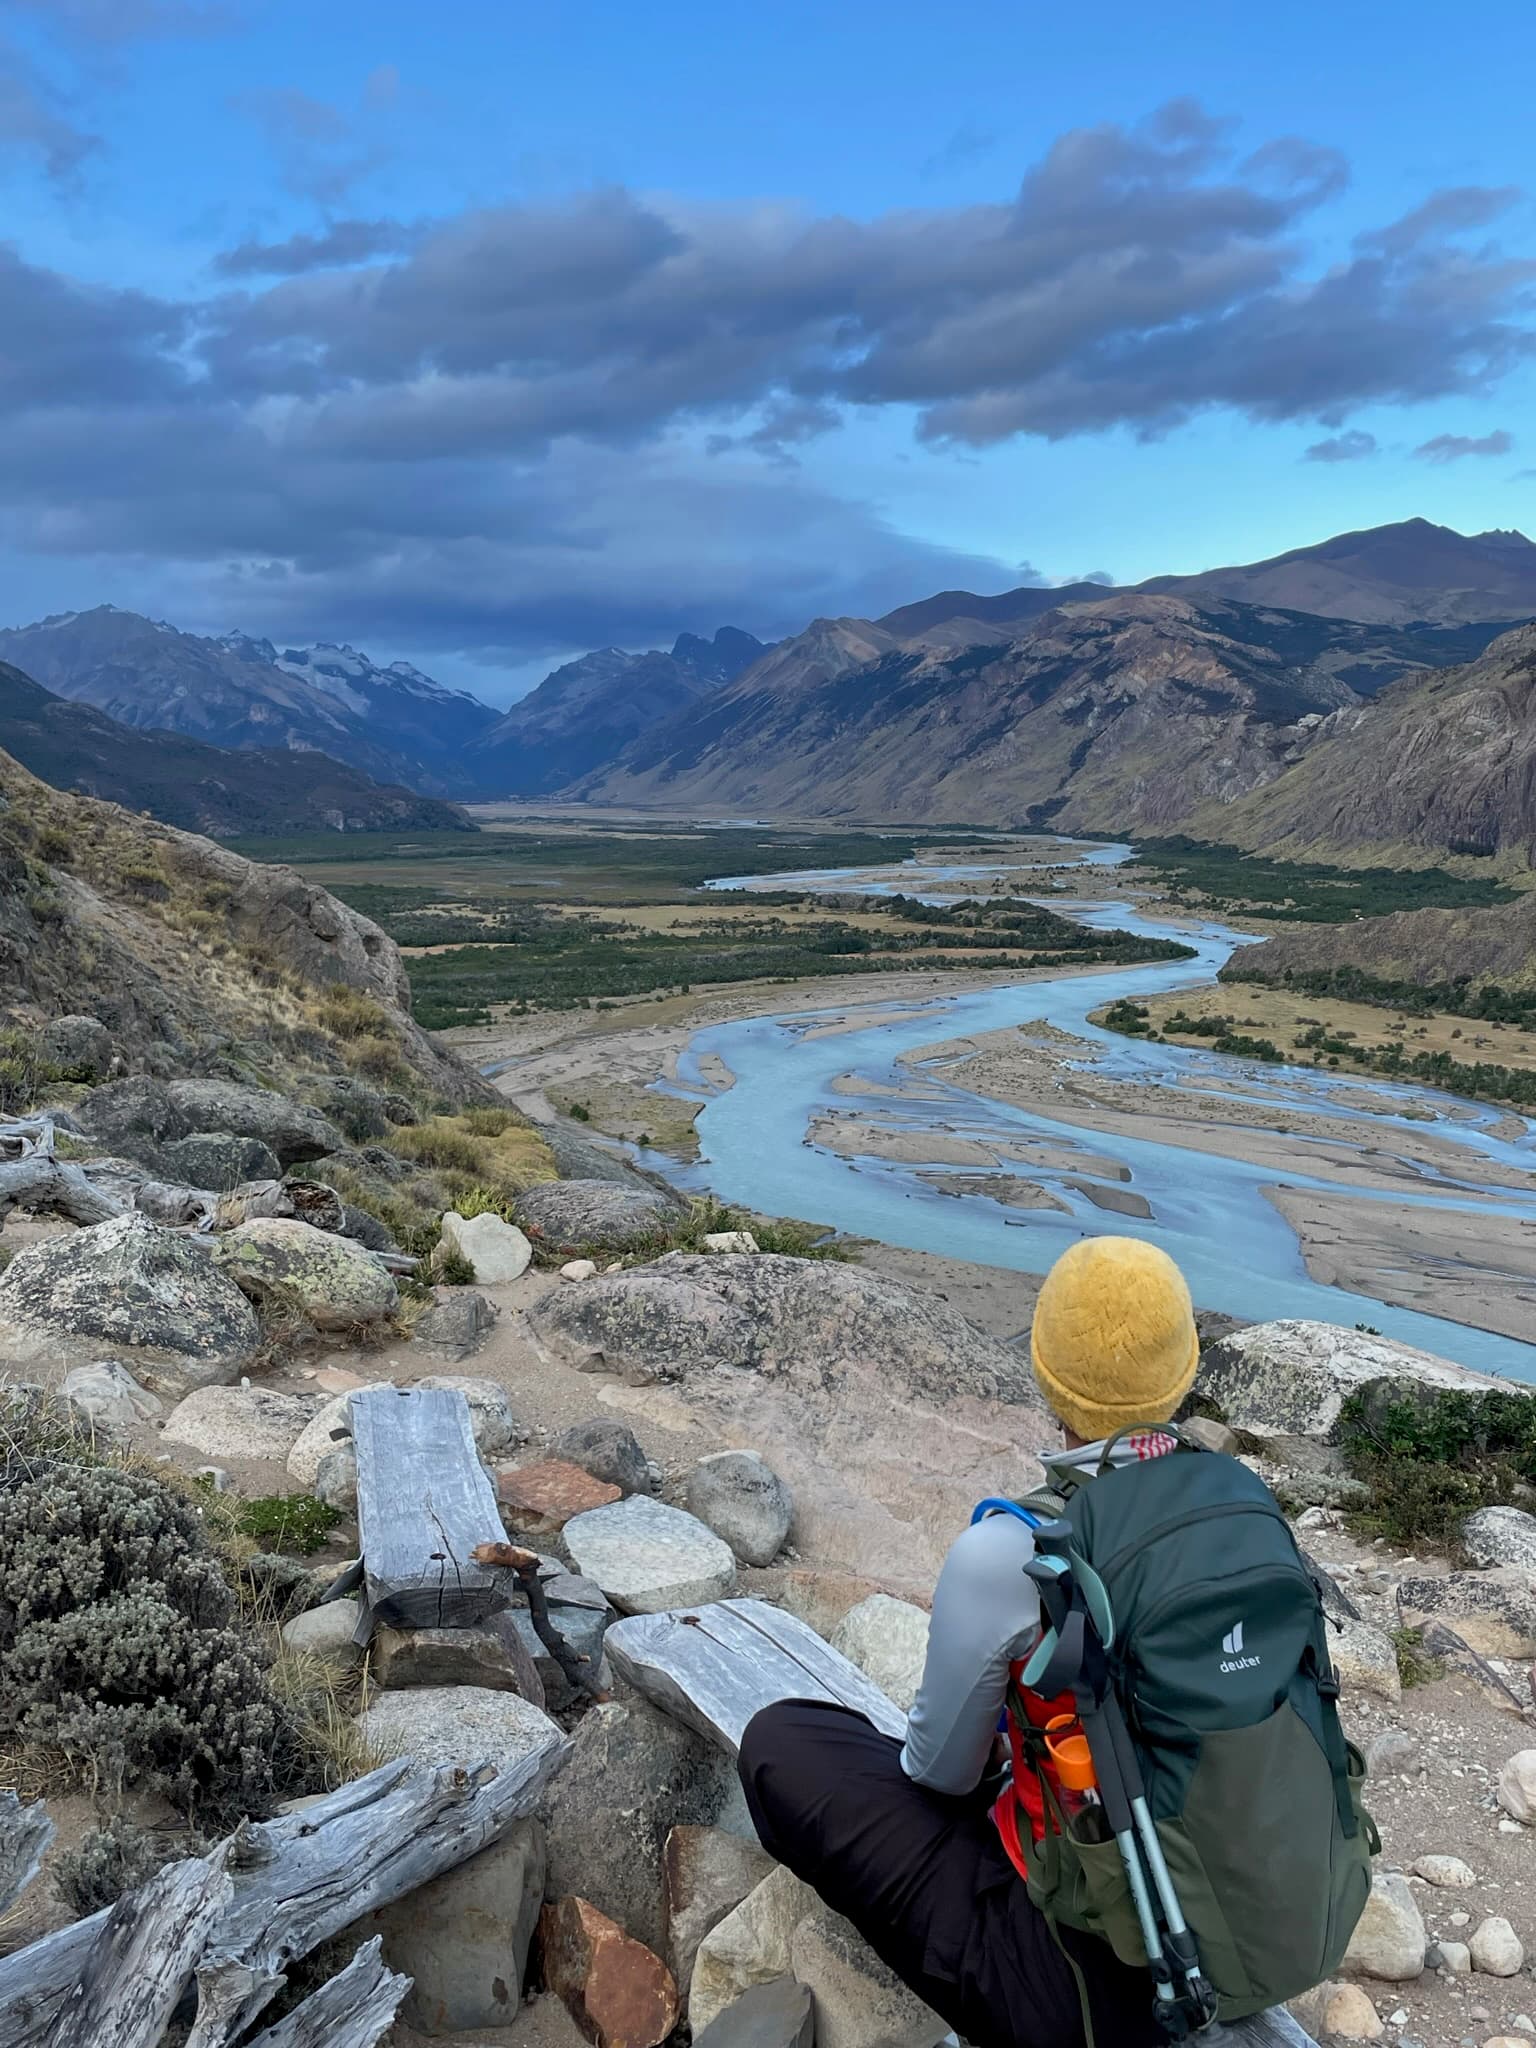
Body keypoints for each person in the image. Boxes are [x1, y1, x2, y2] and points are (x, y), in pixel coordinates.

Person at [738, 1235, 1204, 2048]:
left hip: (1085, 1992)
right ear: (1184, 1371)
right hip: (1253, 1924)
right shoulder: (1247, 1520)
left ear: (1043, 1369)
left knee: (783, 1742)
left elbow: (939, 1774)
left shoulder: (1015, 1549)